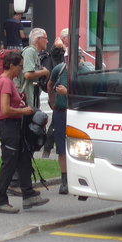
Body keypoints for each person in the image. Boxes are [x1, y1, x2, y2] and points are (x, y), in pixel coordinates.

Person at [0, 49, 49, 214]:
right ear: (11, 65)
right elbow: (5, 109)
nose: (21, 70)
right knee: (9, 164)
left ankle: (29, 194)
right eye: (20, 66)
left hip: (10, 125)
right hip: (8, 125)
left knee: (24, 158)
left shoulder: (1, 80)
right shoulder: (7, 82)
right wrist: (23, 111)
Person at [46, 34, 70, 191]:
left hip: (76, 113)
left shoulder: (84, 71)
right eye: (67, 58)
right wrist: (52, 102)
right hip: (60, 113)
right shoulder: (59, 69)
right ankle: (65, 180)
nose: (69, 61)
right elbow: (50, 85)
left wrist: (67, 93)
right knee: (61, 147)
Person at [22, 27, 51, 110]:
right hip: (28, 99)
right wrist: (44, 72)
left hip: (33, 97)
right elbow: (27, 74)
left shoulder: (36, 53)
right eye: (45, 38)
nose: (47, 41)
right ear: (38, 39)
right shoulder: (29, 52)